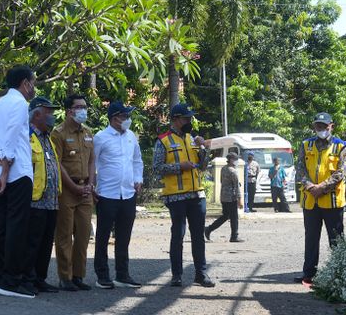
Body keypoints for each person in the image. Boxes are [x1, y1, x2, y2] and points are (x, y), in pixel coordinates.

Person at [153, 103, 215, 288]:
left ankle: (200, 274)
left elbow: (203, 166)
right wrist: (180, 166)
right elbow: (157, 169)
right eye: (186, 118)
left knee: (198, 236)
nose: (189, 121)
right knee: (178, 235)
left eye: (190, 118)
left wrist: (204, 149)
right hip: (176, 196)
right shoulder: (163, 141)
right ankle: (177, 275)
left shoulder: (192, 139)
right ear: (175, 120)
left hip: (197, 194)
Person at [0, 65, 36, 298]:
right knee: (17, 227)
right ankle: (11, 281)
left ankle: (0, 277)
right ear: (25, 83)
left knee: (2, 225)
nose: (33, 87)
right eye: (33, 83)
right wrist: (6, 168)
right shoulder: (19, 104)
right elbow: (12, 134)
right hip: (16, 173)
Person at [93, 101, 143, 289]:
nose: (128, 120)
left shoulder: (131, 136)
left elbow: (137, 160)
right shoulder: (101, 137)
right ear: (115, 118)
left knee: (124, 236)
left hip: (128, 194)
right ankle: (102, 275)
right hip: (107, 194)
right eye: (125, 116)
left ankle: (122, 275)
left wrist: (138, 178)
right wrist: (94, 187)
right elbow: (93, 163)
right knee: (103, 236)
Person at [294, 112, 346, 285]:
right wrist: (311, 187)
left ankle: (340, 275)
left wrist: (322, 187)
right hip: (310, 200)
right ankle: (308, 273)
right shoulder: (305, 144)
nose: (321, 129)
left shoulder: (341, 146)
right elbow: (300, 168)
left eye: (324, 126)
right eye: (318, 126)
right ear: (313, 126)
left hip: (332, 201)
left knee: (336, 239)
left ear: (331, 126)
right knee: (311, 238)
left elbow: (341, 172)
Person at [50, 94, 95, 291]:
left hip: (86, 190)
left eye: (84, 106)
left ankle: (78, 275)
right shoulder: (58, 133)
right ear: (69, 111)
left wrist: (90, 184)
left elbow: (92, 161)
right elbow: (57, 164)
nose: (83, 110)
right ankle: (65, 277)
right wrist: (74, 187)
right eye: (79, 107)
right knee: (64, 235)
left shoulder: (88, 132)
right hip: (67, 190)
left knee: (84, 234)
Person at [25, 97, 62, 293]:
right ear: (37, 114)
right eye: (48, 112)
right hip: (35, 200)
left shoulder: (48, 137)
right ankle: (28, 278)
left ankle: (40, 277)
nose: (52, 116)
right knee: (32, 242)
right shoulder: (27, 136)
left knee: (47, 243)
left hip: (51, 201)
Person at [204, 152, 244, 243]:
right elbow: (236, 186)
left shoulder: (223, 168)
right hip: (231, 197)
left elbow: (222, 181)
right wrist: (240, 199)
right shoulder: (233, 171)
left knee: (226, 216)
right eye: (235, 159)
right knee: (234, 217)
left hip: (223, 196)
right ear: (231, 160)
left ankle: (209, 229)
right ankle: (234, 236)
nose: (237, 161)